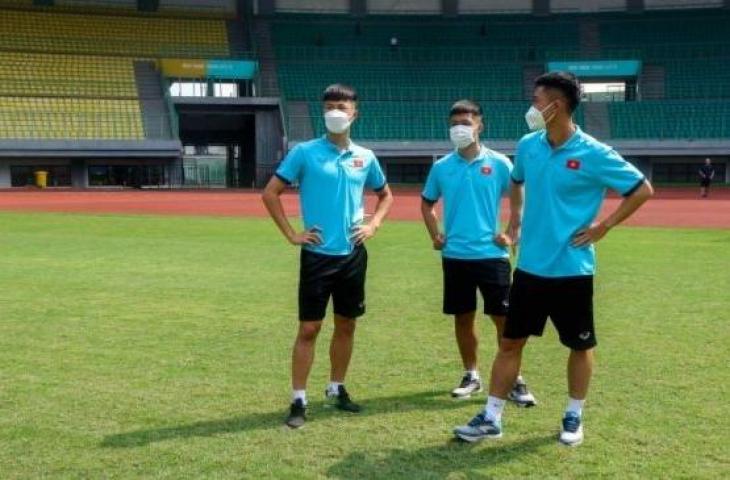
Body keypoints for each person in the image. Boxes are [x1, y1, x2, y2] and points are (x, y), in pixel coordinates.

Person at [453, 72, 653, 446]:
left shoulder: (594, 153)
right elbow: (516, 179)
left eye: (536, 99)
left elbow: (642, 189)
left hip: (572, 270)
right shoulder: (529, 145)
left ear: (555, 106)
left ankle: (574, 415)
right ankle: (492, 417)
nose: (531, 106)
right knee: (510, 343)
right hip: (529, 269)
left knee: (580, 346)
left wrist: (603, 226)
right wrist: (514, 224)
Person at [261, 84, 393, 429]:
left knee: (347, 324)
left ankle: (336, 388)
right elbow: (271, 192)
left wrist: (374, 224)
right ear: (324, 112)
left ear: (354, 114)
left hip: (352, 254)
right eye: (331, 106)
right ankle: (298, 399)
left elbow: (385, 195)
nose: (337, 111)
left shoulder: (365, 157)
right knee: (309, 327)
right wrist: (292, 234)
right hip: (317, 255)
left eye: (343, 106)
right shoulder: (304, 152)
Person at [420, 99, 536, 406]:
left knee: (504, 319)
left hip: (491, 256)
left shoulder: (499, 163)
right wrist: (435, 235)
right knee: (463, 318)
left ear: (480, 125)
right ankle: (471, 374)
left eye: (466, 123)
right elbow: (427, 203)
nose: (460, 129)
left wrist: (512, 232)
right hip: (455, 256)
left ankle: (514, 379)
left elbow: (519, 197)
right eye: (455, 124)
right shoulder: (442, 167)